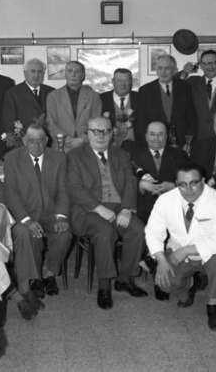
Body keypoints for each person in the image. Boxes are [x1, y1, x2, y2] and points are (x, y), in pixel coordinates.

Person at [67, 116, 147, 309]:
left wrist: (126, 208)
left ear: (112, 134)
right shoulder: (75, 156)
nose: (101, 135)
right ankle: (104, 286)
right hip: (87, 210)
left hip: (118, 207)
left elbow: (130, 182)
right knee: (105, 232)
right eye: (96, 131)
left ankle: (125, 279)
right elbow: (74, 188)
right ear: (87, 134)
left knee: (137, 229)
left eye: (106, 131)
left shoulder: (121, 154)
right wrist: (98, 208)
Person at [145, 162, 216, 331]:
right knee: (164, 283)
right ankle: (189, 286)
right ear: (176, 184)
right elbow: (152, 231)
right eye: (182, 184)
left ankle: (214, 303)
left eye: (194, 183)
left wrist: (185, 251)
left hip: (211, 254)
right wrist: (161, 260)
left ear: (203, 181)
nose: (189, 189)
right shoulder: (165, 200)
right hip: (177, 250)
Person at [4, 124, 71, 320]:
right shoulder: (12, 158)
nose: (36, 145)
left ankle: (48, 272)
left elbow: (63, 191)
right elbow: (11, 193)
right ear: (24, 141)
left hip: (51, 214)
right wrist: (26, 220)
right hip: (26, 215)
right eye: (31, 141)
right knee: (25, 233)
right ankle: (34, 280)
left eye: (41, 140)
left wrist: (61, 216)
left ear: (47, 141)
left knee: (65, 234)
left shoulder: (58, 158)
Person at [130, 121, 187, 224]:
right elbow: (126, 183)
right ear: (146, 136)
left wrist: (174, 186)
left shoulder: (180, 155)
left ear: (166, 136)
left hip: (172, 209)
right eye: (152, 134)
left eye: (160, 134)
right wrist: (141, 184)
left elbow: (188, 180)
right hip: (144, 211)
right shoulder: (133, 156)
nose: (156, 138)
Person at [135, 54, 195, 147]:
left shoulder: (185, 87)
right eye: (160, 68)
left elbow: (191, 117)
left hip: (181, 143)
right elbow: (141, 122)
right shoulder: (145, 90)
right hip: (155, 142)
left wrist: (189, 142)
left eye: (167, 68)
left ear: (174, 70)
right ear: (156, 69)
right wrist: (146, 144)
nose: (163, 72)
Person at [47, 61, 102, 152]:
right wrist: (66, 139)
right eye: (70, 71)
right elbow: (51, 123)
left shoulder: (93, 96)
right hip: (61, 147)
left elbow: (98, 123)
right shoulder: (53, 96)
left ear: (83, 75)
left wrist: (82, 139)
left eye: (77, 71)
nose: (73, 74)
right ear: (65, 74)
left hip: (86, 146)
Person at [2, 58, 54, 134]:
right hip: (24, 139)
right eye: (33, 71)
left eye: (40, 72)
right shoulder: (12, 94)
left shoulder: (51, 92)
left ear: (43, 74)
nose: (36, 75)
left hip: (48, 139)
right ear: (25, 73)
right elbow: (9, 123)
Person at [100, 68, 139, 151]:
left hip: (136, 148)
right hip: (109, 148)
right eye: (119, 81)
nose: (123, 84)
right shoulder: (101, 99)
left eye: (126, 80)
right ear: (113, 82)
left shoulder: (141, 98)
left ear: (131, 82)